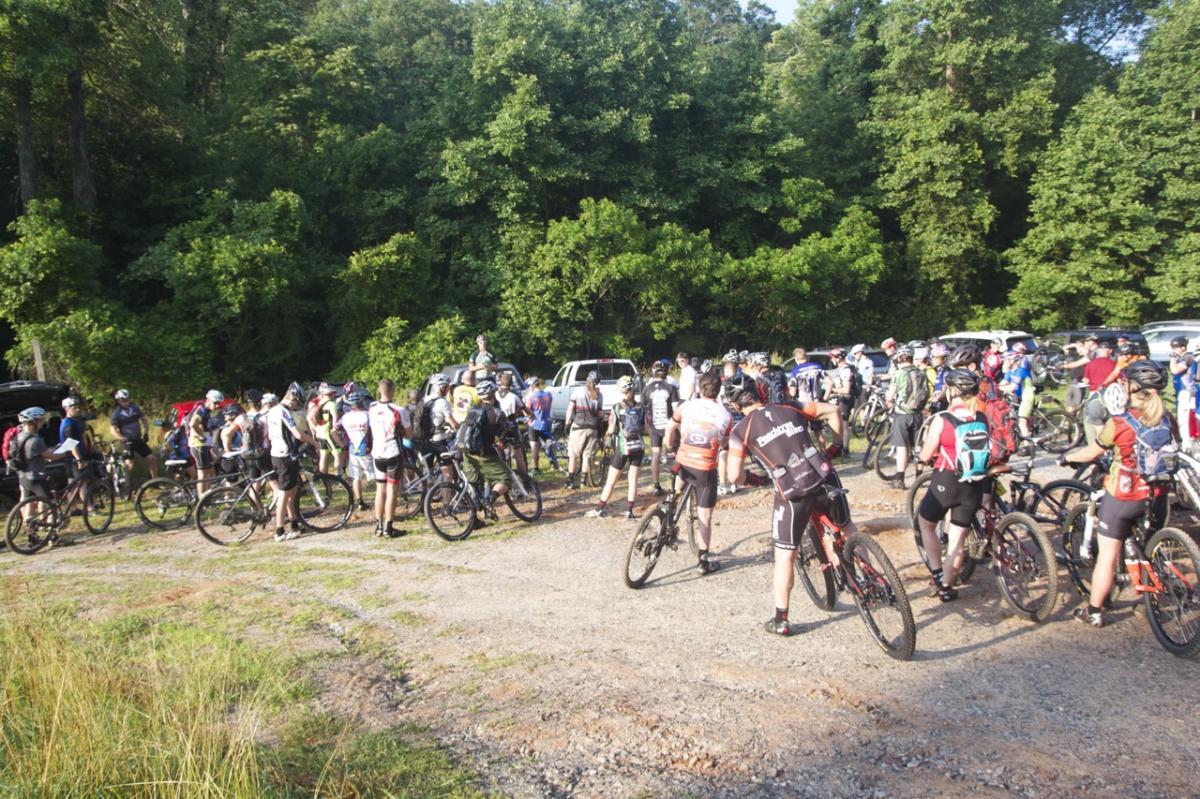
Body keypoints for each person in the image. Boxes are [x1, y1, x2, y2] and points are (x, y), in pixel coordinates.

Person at [725, 388, 851, 636]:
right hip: (824, 474)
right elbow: (833, 410)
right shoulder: (789, 406)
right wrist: (837, 445)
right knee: (848, 528)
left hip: (792, 491)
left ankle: (781, 618)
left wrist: (752, 479)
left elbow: (733, 476)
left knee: (785, 555)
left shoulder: (740, 432)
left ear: (737, 408)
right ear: (761, 395)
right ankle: (870, 582)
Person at [1062, 361, 1175, 627]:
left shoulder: (1121, 422)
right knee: (1151, 547)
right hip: (1157, 494)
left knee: (1107, 556)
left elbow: (1092, 452)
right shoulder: (1166, 418)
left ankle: (1094, 610)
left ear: (1133, 388)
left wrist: (1067, 458)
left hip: (1124, 495)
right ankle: (1154, 591)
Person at [914, 369, 990, 602]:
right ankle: (946, 587)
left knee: (925, 523)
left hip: (946, 480)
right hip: (974, 483)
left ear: (953, 390)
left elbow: (927, 454)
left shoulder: (943, 419)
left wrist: (920, 455)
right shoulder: (981, 417)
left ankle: (937, 574)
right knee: (957, 539)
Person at [664, 373, 732, 575]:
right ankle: (703, 560)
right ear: (718, 391)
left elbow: (670, 427)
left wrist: (670, 447)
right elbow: (725, 442)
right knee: (705, 515)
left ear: (700, 389)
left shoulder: (686, 406)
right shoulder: (725, 415)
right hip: (705, 468)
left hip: (683, 461)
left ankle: (667, 520)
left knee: (675, 494)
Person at [585, 376, 645, 519]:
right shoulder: (641, 407)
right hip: (638, 447)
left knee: (611, 480)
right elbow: (645, 428)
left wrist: (606, 435)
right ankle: (629, 510)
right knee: (633, 479)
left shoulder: (617, 407)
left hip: (623, 447)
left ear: (621, 389)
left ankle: (599, 508)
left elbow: (612, 429)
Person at [12, 407, 73, 543]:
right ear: (34, 422)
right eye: (40, 421)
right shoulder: (36, 440)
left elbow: (33, 455)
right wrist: (65, 451)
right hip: (37, 477)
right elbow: (51, 457)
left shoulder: (18, 437)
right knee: (52, 504)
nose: (42, 423)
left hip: (23, 476)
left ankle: (31, 536)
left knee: (28, 504)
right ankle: (54, 538)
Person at [266, 383, 317, 541]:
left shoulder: (272, 410)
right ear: (292, 397)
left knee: (292, 490)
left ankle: (294, 523)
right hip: (284, 456)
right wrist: (314, 442)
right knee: (284, 493)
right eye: (297, 402)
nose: (297, 406)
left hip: (277, 453)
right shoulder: (283, 411)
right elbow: (297, 434)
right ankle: (279, 530)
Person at [368, 379, 412, 538]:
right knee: (392, 490)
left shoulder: (371, 408)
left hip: (377, 453)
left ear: (379, 391)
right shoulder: (399, 410)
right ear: (393, 391)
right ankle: (389, 527)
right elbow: (409, 434)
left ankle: (378, 526)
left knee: (380, 489)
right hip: (393, 451)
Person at [463, 380, 511, 508]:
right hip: (484, 453)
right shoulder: (497, 413)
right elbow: (506, 431)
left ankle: (475, 519)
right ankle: (490, 499)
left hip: (467, 453)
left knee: (474, 485)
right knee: (505, 478)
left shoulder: (473, 409)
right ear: (493, 393)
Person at [884, 346, 927, 489]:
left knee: (902, 447)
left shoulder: (899, 373)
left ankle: (900, 479)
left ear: (899, 358)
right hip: (918, 414)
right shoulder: (921, 372)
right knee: (918, 446)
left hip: (902, 414)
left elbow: (890, 394)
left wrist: (888, 399)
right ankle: (919, 478)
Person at [641, 358, 679, 495]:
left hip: (654, 426)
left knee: (655, 454)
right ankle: (676, 485)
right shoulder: (671, 388)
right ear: (666, 373)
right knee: (675, 454)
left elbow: (644, 406)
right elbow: (676, 409)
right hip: (669, 426)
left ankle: (656, 485)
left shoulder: (647, 388)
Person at [564, 370, 602, 490]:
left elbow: (570, 409)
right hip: (592, 428)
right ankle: (583, 482)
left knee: (573, 455)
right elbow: (599, 413)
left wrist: (567, 423)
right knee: (587, 456)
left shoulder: (578, 391)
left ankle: (570, 481)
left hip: (578, 427)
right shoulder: (599, 395)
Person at [108, 389, 157, 479]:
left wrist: (146, 432)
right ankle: (128, 486)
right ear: (119, 401)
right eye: (123, 400)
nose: (126, 402)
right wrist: (122, 438)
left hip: (137, 439)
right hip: (126, 442)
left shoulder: (135, 408)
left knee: (152, 458)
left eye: (127, 399)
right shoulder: (116, 414)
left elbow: (144, 420)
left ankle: (155, 480)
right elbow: (113, 430)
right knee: (130, 464)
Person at [338, 390, 372, 512]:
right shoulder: (367, 415)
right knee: (376, 478)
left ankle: (360, 502)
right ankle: (381, 499)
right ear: (361, 402)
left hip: (353, 449)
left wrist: (341, 444)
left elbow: (334, 429)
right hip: (367, 449)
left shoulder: (345, 417)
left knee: (356, 478)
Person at [496, 372, 532, 480]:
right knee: (519, 454)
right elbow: (525, 410)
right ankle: (525, 480)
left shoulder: (494, 394)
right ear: (511, 383)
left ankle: (503, 478)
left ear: (500, 381)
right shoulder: (514, 396)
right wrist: (531, 414)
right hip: (511, 426)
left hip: (498, 428)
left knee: (500, 452)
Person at [1081, 339, 1118, 444]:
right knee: (1112, 422)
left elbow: (1086, 380)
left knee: (1090, 421)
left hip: (1095, 395)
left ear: (1098, 351)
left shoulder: (1090, 364)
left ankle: (1094, 446)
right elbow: (1119, 380)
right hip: (1111, 396)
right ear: (1110, 351)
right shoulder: (1114, 364)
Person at [188, 390, 224, 493]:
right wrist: (201, 436)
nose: (217, 405)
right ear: (208, 400)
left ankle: (208, 495)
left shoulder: (207, 412)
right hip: (199, 445)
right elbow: (192, 424)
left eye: (219, 403)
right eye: (215, 403)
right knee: (202, 474)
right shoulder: (202, 411)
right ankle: (201, 498)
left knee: (208, 472)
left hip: (205, 445)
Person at [823, 347, 856, 453]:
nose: (831, 360)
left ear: (838, 358)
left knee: (844, 424)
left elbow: (846, 390)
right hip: (843, 398)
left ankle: (845, 448)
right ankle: (842, 447)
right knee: (841, 423)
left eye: (832, 358)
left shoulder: (846, 370)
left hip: (846, 399)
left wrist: (832, 389)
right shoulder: (845, 368)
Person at [1169, 336, 1195, 453]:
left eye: (1176, 347)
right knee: (1182, 418)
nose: (1174, 350)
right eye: (1173, 347)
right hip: (1181, 391)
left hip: (1187, 391)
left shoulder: (1188, 357)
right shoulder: (1182, 357)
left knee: (1184, 419)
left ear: (1183, 347)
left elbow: (1175, 370)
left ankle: (1187, 444)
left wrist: (1173, 359)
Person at [312, 383, 345, 475]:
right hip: (329, 433)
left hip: (319, 433)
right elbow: (335, 419)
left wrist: (315, 428)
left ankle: (324, 478)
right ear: (331, 394)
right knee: (337, 454)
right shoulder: (331, 404)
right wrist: (336, 430)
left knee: (323, 455)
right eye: (334, 393)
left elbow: (311, 417)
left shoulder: (319, 403)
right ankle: (339, 477)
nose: (335, 395)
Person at [523, 377, 555, 473]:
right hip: (546, 422)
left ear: (532, 386)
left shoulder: (531, 397)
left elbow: (526, 412)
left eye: (529, 386)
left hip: (534, 424)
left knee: (534, 446)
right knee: (549, 443)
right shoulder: (548, 394)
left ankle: (536, 468)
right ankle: (553, 463)